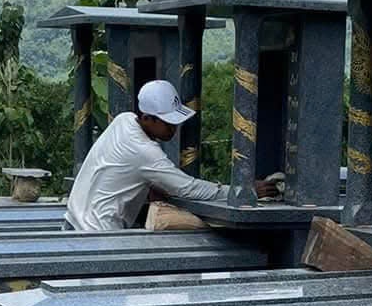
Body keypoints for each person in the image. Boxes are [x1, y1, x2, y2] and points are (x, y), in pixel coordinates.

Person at [65, 79, 275, 232]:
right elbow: (188, 188)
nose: (174, 129)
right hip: (97, 232)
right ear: (147, 118)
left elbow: (125, 169)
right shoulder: (145, 151)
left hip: (74, 222)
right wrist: (241, 191)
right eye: (168, 123)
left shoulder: (124, 120)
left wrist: (150, 184)